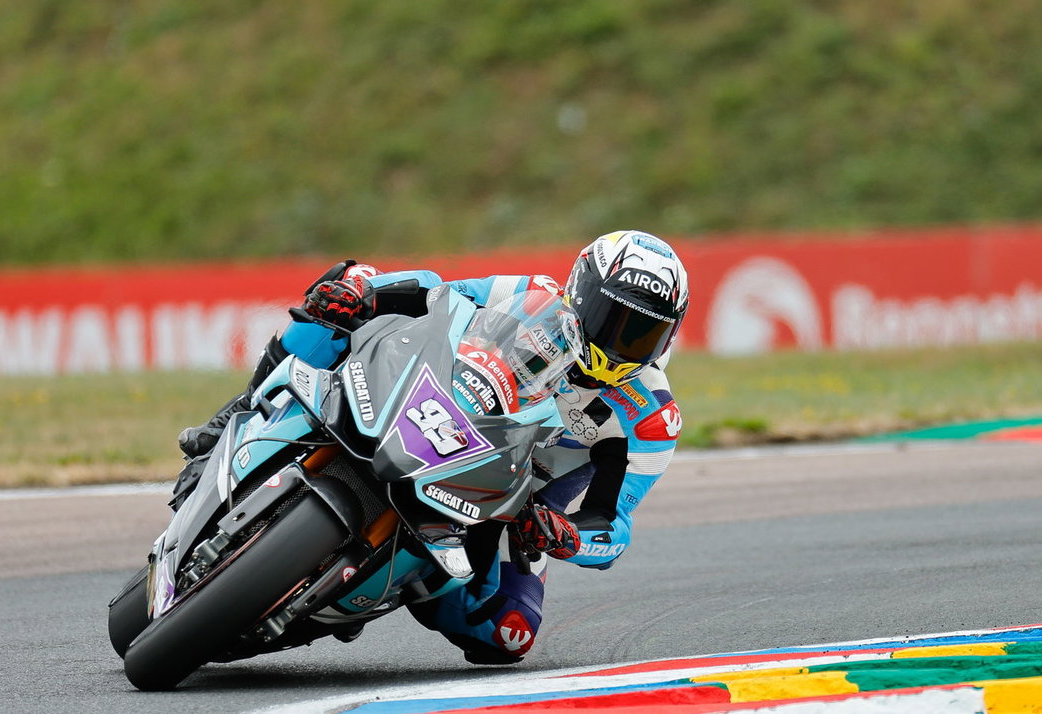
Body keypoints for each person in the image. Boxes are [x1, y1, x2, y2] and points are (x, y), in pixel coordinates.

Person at [175, 230, 690, 665]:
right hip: (437, 410)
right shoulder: (533, 295)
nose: (620, 343)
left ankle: (391, 583)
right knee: (339, 294)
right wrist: (366, 292)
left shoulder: (651, 419)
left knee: (509, 634)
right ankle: (227, 423)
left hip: (515, 506)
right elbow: (436, 292)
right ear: (580, 291)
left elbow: (614, 528)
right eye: (610, 318)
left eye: (644, 334)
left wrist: (567, 536)